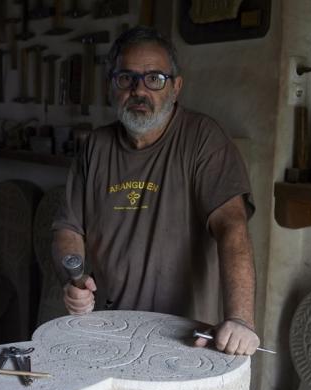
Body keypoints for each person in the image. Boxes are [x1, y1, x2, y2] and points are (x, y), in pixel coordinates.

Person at [51, 26, 260, 356]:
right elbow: (68, 229)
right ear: (112, 87)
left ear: (176, 87)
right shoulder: (95, 146)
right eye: (126, 79)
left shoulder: (203, 140)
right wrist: (72, 280)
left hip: (183, 336)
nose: (139, 90)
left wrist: (240, 319)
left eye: (154, 79)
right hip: (108, 328)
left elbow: (231, 226)